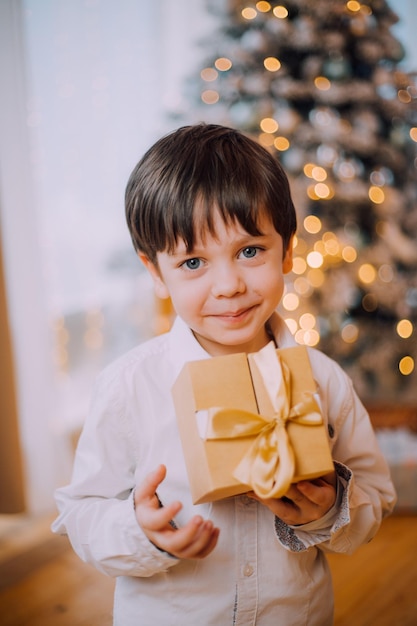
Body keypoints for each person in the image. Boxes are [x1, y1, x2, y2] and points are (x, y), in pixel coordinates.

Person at [52, 124, 396, 626]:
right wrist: (141, 530)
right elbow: (80, 513)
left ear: (288, 250)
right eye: (193, 261)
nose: (229, 285)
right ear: (155, 272)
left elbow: (376, 496)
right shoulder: (131, 387)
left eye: (250, 251)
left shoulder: (321, 380)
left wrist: (329, 509)